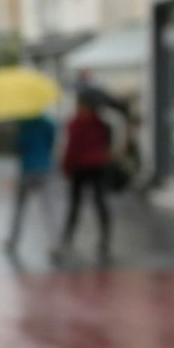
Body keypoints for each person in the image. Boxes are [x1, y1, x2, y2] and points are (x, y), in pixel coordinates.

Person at [57, 95, 114, 258]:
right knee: (100, 202)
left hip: (80, 167)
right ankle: (104, 238)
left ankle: (67, 239)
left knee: (75, 204)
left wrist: (66, 167)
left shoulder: (76, 123)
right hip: (98, 167)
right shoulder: (102, 123)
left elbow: (72, 147)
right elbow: (106, 146)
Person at [6, 112, 58, 253]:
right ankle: (54, 243)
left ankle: (13, 239)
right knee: (47, 208)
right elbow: (51, 142)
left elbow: (19, 147)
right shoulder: (48, 123)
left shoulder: (24, 124)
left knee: (20, 207)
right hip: (44, 167)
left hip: (28, 169)